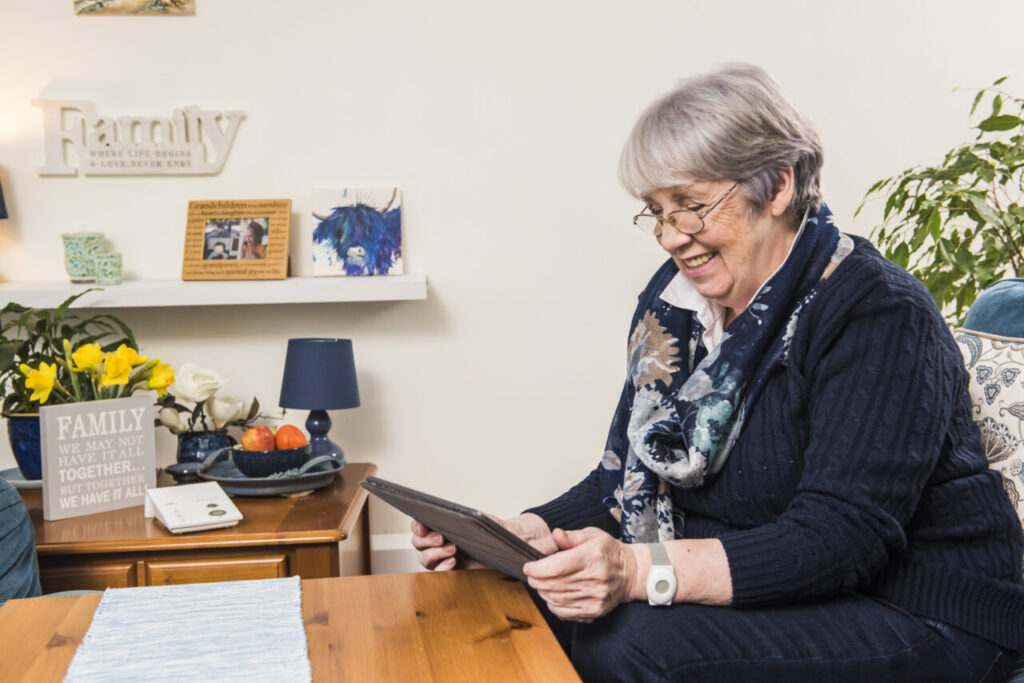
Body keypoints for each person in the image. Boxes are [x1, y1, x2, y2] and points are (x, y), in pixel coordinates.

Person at [412, 63, 1024, 681]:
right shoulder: (676, 304)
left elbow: (842, 539)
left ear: (778, 186)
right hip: (803, 590)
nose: (670, 237)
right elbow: (632, 478)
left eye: (691, 206)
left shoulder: (877, 309)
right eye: (655, 211)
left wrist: (634, 570)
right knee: (531, 602)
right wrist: (524, 535)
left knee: (628, 642)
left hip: (922, 609)